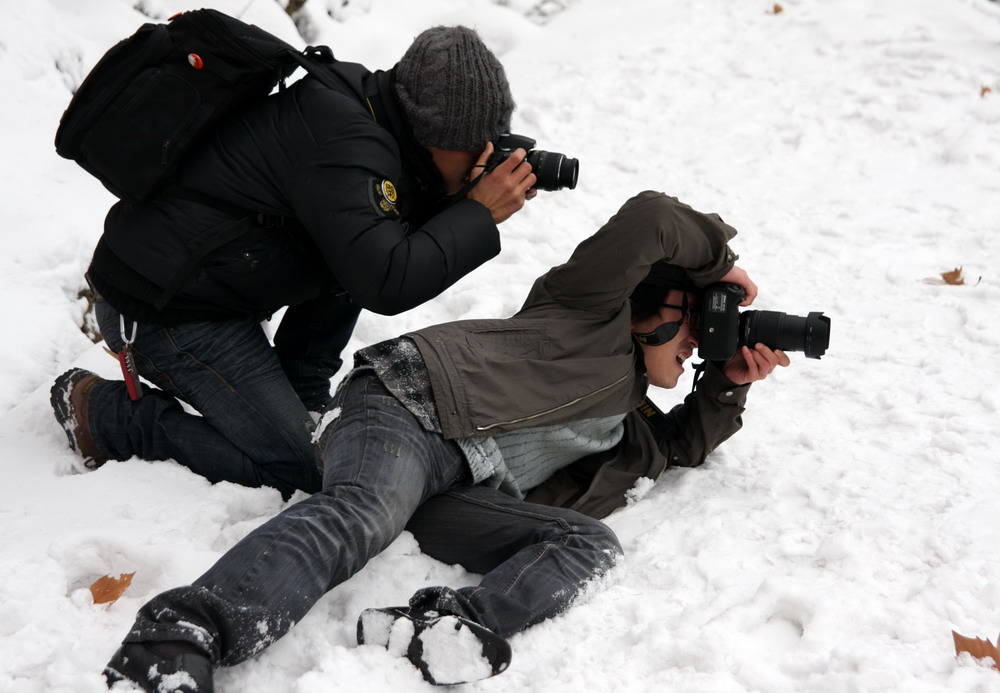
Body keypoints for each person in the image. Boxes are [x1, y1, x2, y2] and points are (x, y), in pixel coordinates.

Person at [99, 190, 793, 690]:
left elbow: (677, 447)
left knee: (590, 544)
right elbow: (653, 218)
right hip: (407, 407)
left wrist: (726, 383)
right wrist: (715, 264)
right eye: (691, 321)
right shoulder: (586, 307)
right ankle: (180, 635)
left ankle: (439, 626)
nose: (698, 339)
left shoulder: (628, 421)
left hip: (453, 487)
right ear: (646, 307)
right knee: (363, 511)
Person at [49, 26, 536, 498]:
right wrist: (477, 212)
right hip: (165, 313)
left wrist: (460, 201)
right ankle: (109, 418)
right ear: (435, 132)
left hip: (209, 289)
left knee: (371, 237)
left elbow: (367, 254)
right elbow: (388, 281)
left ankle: (301, 391)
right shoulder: (347, 142)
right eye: (477, 145)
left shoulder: (377, 120)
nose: (488, 155)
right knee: (313, 470)